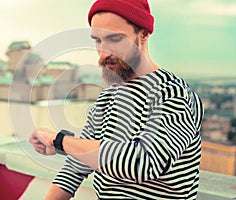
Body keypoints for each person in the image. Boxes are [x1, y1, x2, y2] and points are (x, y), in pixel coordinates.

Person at [29, 0, 204, 199]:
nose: (104, 53)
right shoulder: (106, 98)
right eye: (98, 40)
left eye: (115, 39)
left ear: (143, 34)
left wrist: (59, 140)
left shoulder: (173, 94)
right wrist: (66, 145)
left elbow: (144, 163)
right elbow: (75, 168)